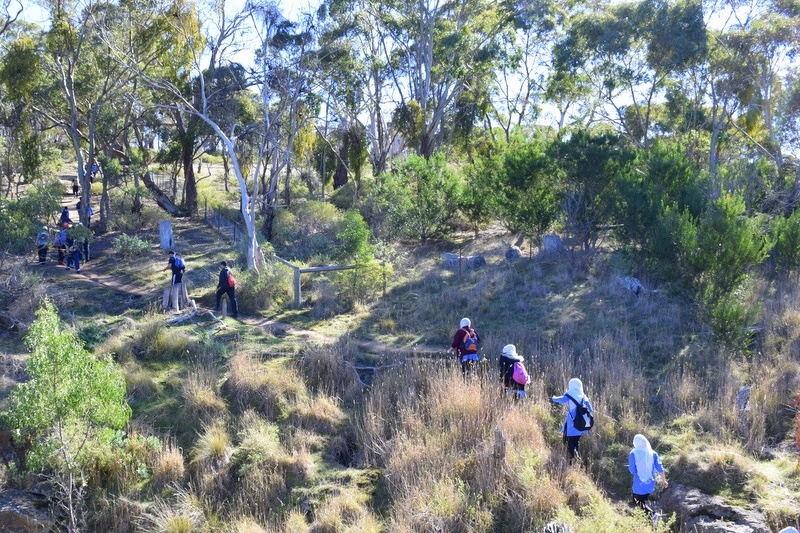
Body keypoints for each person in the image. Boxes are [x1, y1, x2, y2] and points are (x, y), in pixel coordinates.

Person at [629, 434, 667, 528]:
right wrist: (664, 480)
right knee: (642, 500)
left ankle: (653, 515)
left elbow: (632, 470)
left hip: (639, 482)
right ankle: (647, 519)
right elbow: (660, 468)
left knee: (636, 501)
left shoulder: (633, 453)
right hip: (651, 482)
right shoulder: (652, 453)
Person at [552, 378, 594, 463]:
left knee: (569, 441)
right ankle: (576, 457)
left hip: (572, 423)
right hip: (581, 424)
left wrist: (553, 398)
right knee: (576, 441)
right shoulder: (583, 395)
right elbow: (591, 409)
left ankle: (572, 459)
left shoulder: (569, 394)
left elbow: (561, 399)